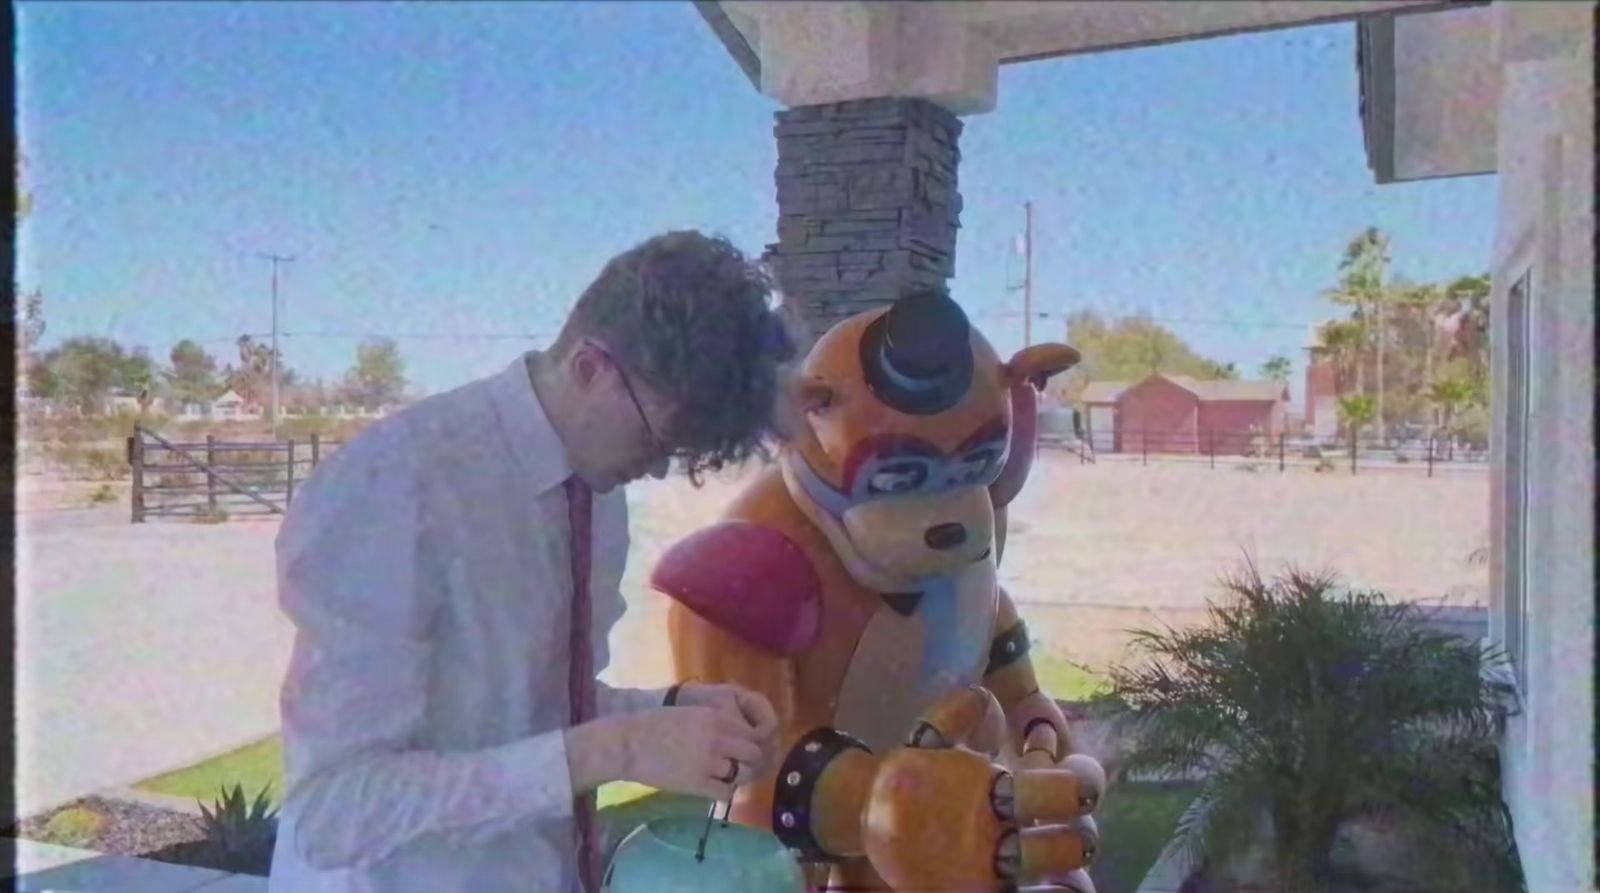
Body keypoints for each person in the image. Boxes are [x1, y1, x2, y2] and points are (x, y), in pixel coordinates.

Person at [267, 231, 797, 893]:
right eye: (661, 436)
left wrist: (668, 707)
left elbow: (529, 710)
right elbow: (335, 809)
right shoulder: (397, 487)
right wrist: (618, 749)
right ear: (588, 367)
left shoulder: (598, 492)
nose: (660, 465)